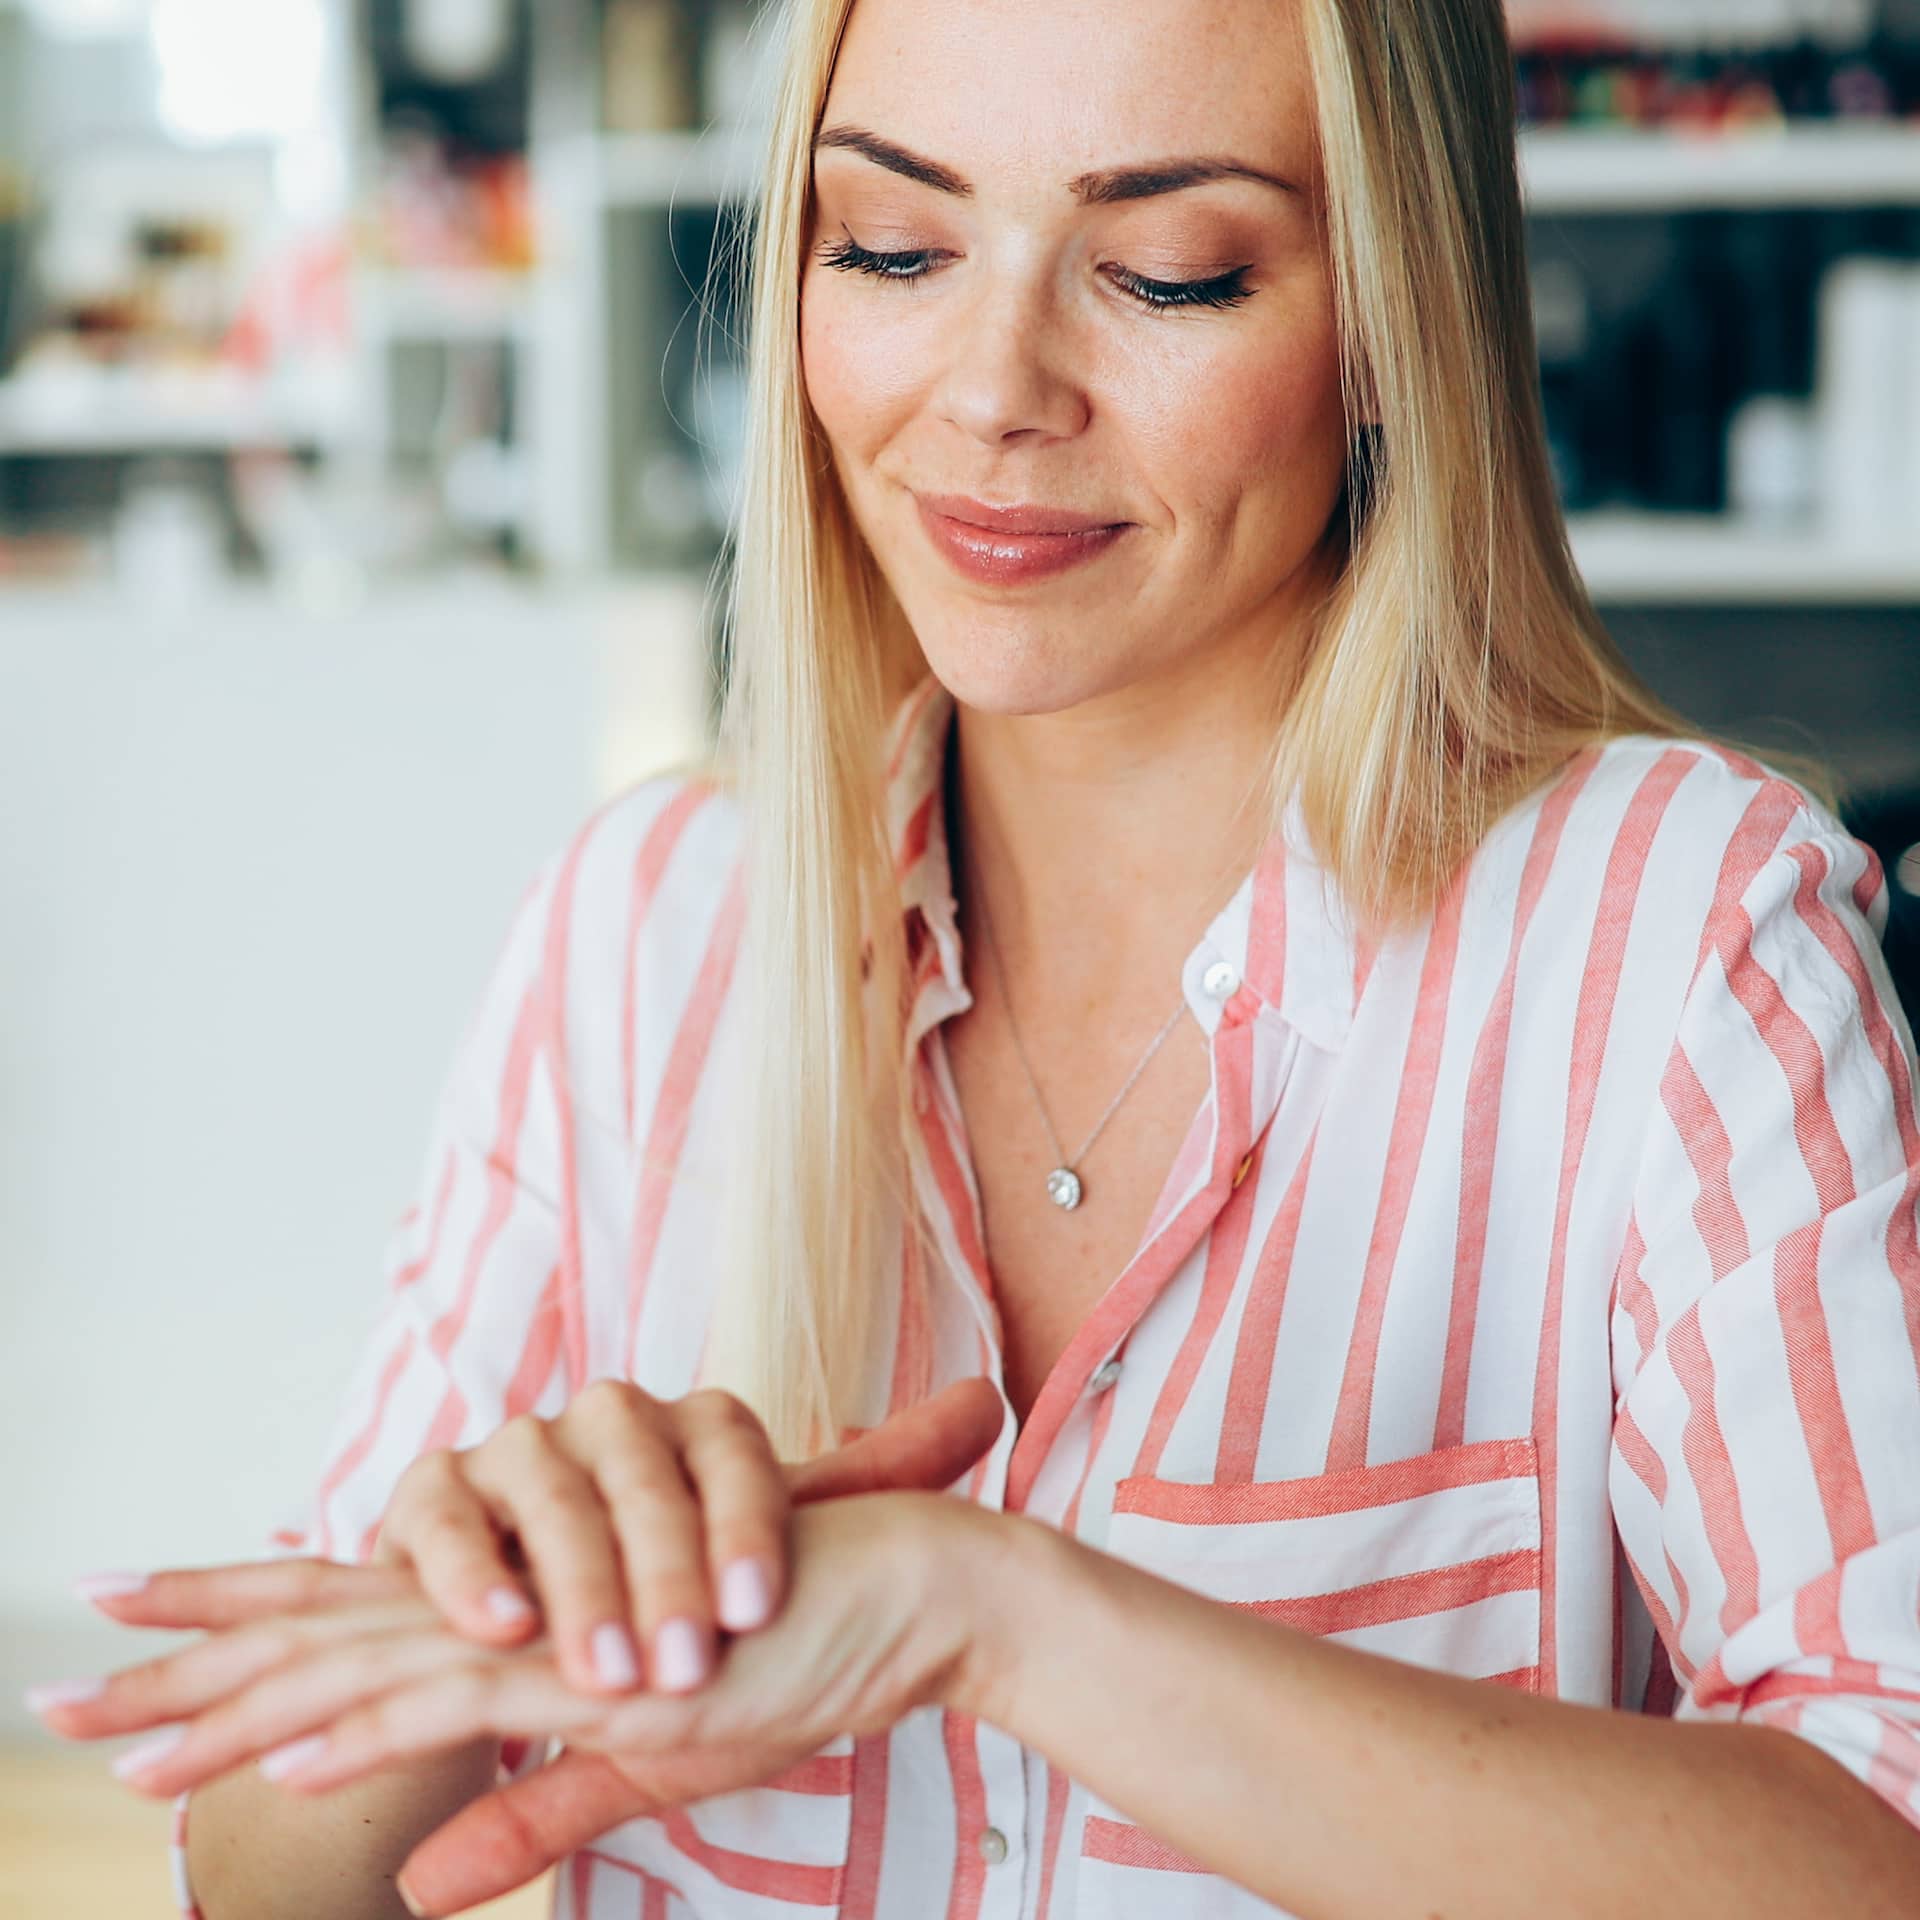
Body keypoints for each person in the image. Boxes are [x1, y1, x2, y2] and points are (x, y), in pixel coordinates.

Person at [28, 0, 1920, 1913]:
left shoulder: (1686, 937)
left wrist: (1001, 1617)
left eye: (1170, 274)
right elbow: (264, 1878)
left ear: (1389, 324)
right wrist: (452, 1643)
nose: (996, 386)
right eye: (897, 248)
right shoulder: (651, 927)